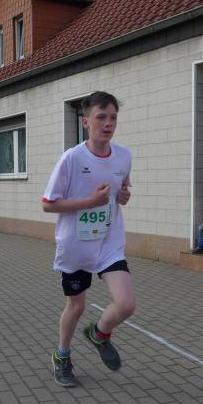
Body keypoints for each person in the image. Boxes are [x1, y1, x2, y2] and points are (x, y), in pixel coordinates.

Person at [42, 91, 133, 387]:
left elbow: (123, 192)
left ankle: (99, 333)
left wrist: (123, 196)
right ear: (85, 122)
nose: (108, 124)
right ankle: (62, 355)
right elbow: (48, 204)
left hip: (108, 242)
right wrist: (89, 202)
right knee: (77, 306)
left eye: (113, 118)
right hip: (76, 246)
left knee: (126, 304)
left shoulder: (124, 156)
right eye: (101, 117)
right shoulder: (72, 158)